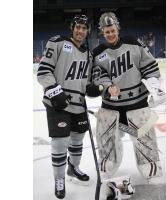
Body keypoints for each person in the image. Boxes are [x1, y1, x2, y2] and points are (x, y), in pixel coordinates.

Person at [92, 12, 165, 199]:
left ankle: (150, 167)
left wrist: (154, 84)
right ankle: (108, 166)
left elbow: (148, 64)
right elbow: (98, 76)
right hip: (111, 107)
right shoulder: (98, 53)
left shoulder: (133, 43)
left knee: (144, 138)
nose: (110, 34)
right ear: (102, 32)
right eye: (106, 31)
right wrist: (108, 87)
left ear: (118, 28)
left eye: (112, 30)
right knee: (106, 138)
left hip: (137, 104)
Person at [37, 15, 102, 199]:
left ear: (87, 31)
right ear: (72, 28)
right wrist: (53, 90)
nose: (81, 31)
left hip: (78, 106)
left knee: (77, 141)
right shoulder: (57, 43)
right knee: (60, 144)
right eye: (78, 27)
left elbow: (87, 84)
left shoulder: (88, 55)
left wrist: (95, 88)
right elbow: (44, 72)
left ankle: (73, 168)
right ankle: (59, 180)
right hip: (58, 103)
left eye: (84, 28)